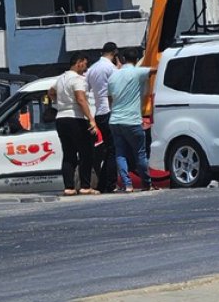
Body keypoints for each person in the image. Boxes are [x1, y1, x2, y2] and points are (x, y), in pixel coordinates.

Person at [49, 52, 97, 196]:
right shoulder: (77, 79)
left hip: (61, 118)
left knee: (68, 154)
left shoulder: (60, 78)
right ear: (79, 62)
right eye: (85, 64)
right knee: (85, 153)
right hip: (75, 118)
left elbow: (50, 92)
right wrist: (91, 119)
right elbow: (81, 99)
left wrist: (58, 102)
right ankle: (85, 186)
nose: (85, 68)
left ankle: (69, 187)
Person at [106, 48, 153, 192]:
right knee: (140, 153)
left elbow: (110, 99)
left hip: (115, 120)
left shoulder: (113, 76)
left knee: (120, 153)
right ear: (136, 59)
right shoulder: (138, 72)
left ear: (123, 59)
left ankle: (127, 184)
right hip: (132, 120)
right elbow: (154, 69)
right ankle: (147, 183)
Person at [85, 42, 119, 193]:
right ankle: (110, 184)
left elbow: (87, 90)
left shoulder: (92, 69)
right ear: (114, 53)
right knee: (113, 150)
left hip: (98, 113)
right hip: (109, 111)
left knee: (107, 150)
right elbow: (115, 90)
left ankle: (103, 183)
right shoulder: (111, 68)